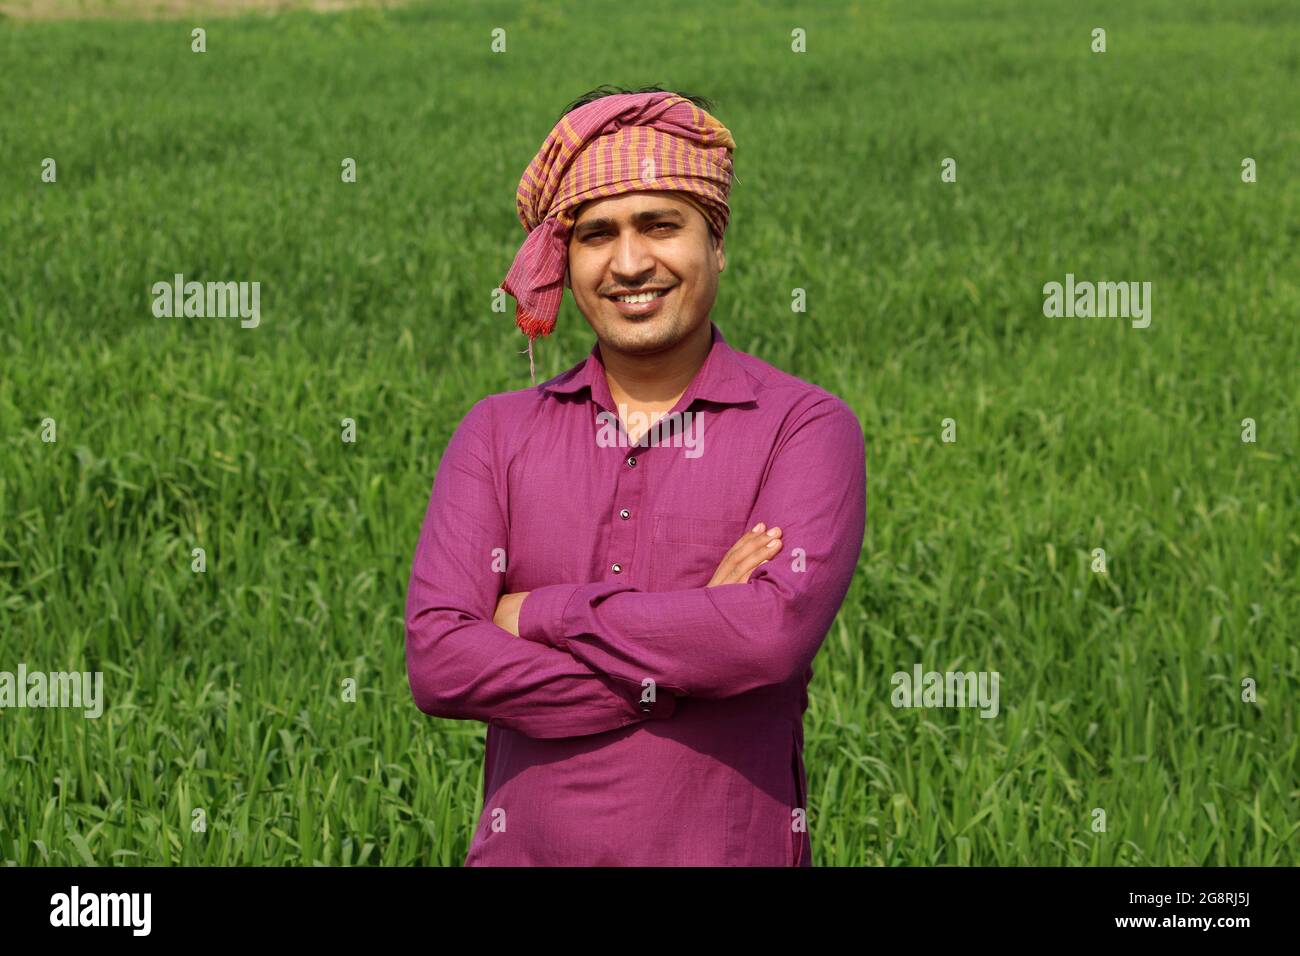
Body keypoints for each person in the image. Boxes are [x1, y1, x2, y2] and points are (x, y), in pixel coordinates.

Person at [405, 86, 866, 865]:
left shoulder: (805, 426)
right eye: (596, 234)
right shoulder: (497, 432)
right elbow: (442, 662)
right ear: (567, 258)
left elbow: (766, 638)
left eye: (660, 225)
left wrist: (535, 615)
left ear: (716, 242)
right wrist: (691, 642)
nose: (629, 263)